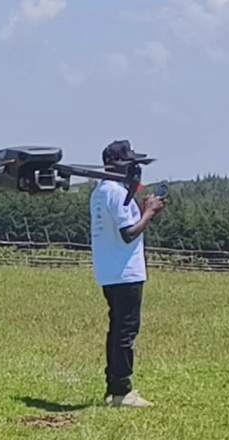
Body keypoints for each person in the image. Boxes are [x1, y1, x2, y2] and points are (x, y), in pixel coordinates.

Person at [89, 139, 165, 408]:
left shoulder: (101, 191)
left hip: (110, 271)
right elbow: (128, 233)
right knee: (126, 332)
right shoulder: (116, 193)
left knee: (117, 329)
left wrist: (140, 209)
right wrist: (150, 212)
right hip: (126, 272)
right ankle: (122, 390)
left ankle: (114, 386)